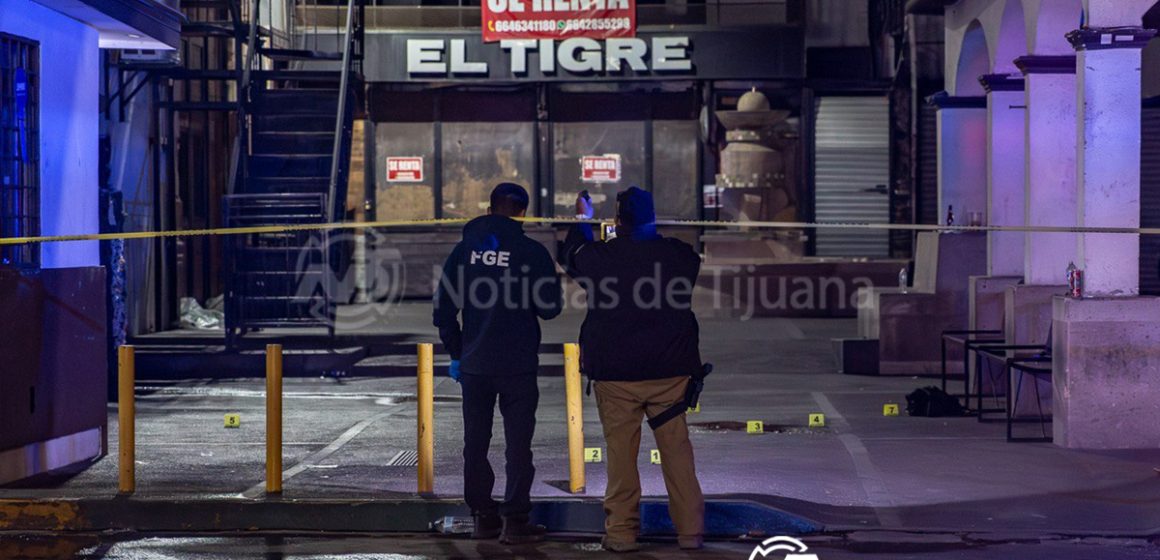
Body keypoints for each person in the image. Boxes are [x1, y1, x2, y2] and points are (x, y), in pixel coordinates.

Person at [559, 186, 705, 552]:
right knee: (677, 455)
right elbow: (688, 258)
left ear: (618, 222)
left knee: (621, 458)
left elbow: (571, 255)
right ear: (653, 219)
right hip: (670, 375)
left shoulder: (601, 258)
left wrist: (583, 218)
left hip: (616, 376)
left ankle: (622, 535)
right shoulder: (679, 256)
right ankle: (690, 533)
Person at [433, 183, 563, 544]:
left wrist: (458, 353)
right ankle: (515, 522)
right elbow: (550, 309)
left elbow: (443, 309)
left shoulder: (464, 250)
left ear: (489, 209)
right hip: (518, 364)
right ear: (523, 212)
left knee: (475, 442)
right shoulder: (532, 252)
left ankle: (482, 517)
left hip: (475, 366)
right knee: (518, 445)